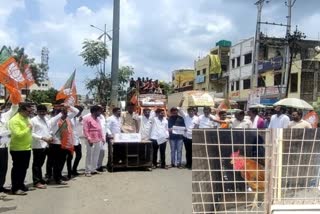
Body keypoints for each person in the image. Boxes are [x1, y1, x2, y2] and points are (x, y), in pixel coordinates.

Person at [31, 104, 62, 189]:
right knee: (37, 165)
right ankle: (36, 182)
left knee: (41, 164)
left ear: (46, 112)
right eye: (40, 111)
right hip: (38, 145)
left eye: (43, 111)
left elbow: (49, 130)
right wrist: (42, 138)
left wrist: (51, 136)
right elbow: (31, 133)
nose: (42, 113)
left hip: (46, 145)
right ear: (36, 112)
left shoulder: (46, 119)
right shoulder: (33, 120)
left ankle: (40, 179)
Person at [9, 103, 34, 195]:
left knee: (24, 168)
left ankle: (21, 184)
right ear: (22, 110)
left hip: (27, 147)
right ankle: (15, 188)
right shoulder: (14, 120)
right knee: (17, 168)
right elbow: (17, 134)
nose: (30, 113)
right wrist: (28, 128)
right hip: (17, 148)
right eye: (29, 111)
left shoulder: (27, 118)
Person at [50, 105, 79, 185]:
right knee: (57, 162)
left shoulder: (67, 118)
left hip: (65, 144)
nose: (65, 114)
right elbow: (51, 122)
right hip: (57, 144)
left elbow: (76, 111)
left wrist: (68, 106)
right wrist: (60, 113)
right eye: (63, 113)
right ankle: (57, 178)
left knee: (62, 162)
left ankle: (59, 175)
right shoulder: (55, 120)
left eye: (66, 113)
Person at [0, 104, 18, 194]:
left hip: (3, 147)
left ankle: (0, 186)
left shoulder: (4, 116)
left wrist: (15, 97)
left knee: (3, 168)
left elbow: (14, 109)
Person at [82, 105, 105, 177]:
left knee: (96, 155)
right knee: (89, 155)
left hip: (98, 139)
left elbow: (100, 129)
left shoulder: (98, 119)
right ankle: (87, 171)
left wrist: (103, 137)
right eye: (99, 111)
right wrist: (89, 139)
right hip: (90, 140)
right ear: (94, 111)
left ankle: (93, 169)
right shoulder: (86, 119)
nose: (100, 112)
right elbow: (85, 130)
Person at [69, 105, 84, 177]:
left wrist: (79, 121)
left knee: (79, 155)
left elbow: (77, 129)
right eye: (79, 112)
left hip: (77, 140)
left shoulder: (77, 119)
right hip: (70, 141)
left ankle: (74, 169)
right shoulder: (69, 118)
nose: (79, 113)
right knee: (69, 157)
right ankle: (69, 172)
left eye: (80, 112)